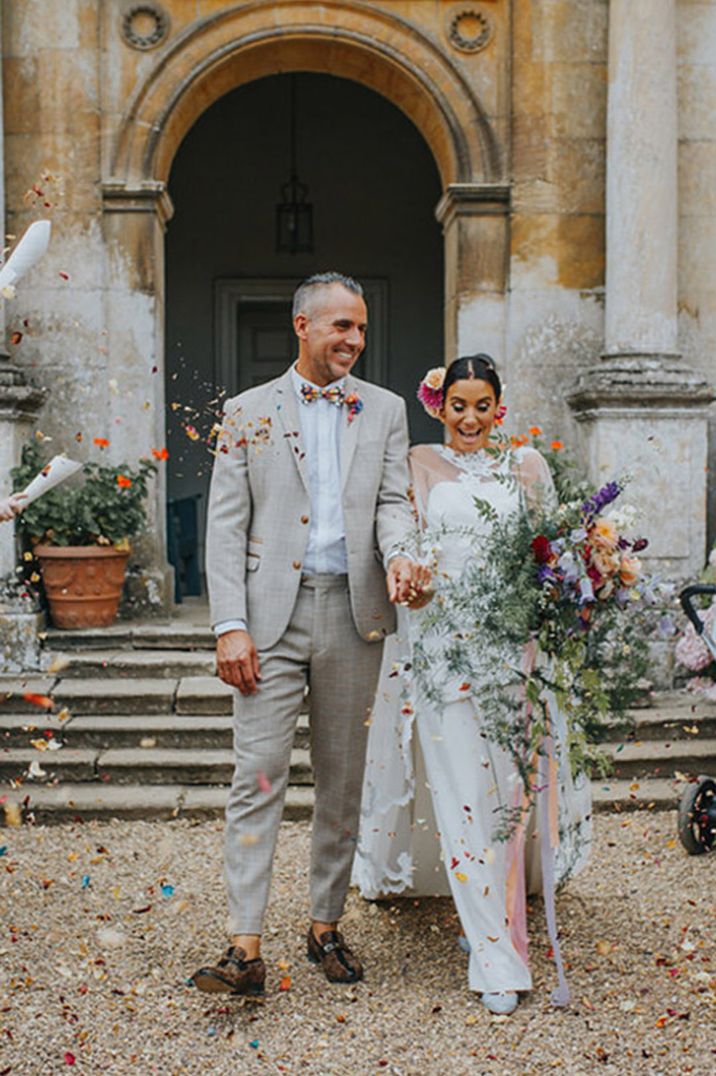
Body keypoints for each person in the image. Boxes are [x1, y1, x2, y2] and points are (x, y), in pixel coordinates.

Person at [193, 272, 429, 997]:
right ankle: (243, 948)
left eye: (360, 328)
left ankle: (326, 926)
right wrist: (230, 626)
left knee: (341, 780)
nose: (354, 340)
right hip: (268, 622)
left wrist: (400, 554)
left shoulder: (386, 411)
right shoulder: (246, 412)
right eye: (340, 327)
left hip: (354, 617)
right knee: (256, 778)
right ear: (302, 326)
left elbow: (393, 502)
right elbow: (226, 527)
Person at [353, 355, 592, 1016]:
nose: (469, 418)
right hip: (440, 654)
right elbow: (399, 535)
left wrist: (581, 583)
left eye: (481, 405)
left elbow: (551, 554)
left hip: (514, 658)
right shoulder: (419, 465)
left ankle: (505, 917)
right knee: (462, 794)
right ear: (440, 405)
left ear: (499, 408)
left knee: (507, 800)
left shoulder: (529, 468)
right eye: (458, 404)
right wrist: (407, 565)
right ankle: (493, 954)